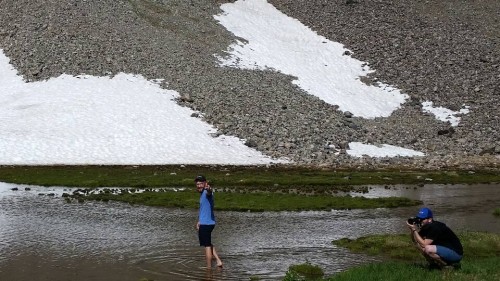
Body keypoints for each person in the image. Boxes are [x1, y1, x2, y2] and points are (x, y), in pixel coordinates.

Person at [195, 175, 223, 269]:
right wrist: (199, 221)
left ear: (205, 183)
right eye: (197, 184)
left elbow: (210, 192)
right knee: (208, 243)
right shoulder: (202, 193)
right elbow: (204, 209)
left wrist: (209, 188)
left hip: (206, 224)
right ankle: (218, 261)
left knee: (206, 246)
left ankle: (208, 269)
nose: (198, 186)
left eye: (200, 184)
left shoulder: (207, 191)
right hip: (207, 223)